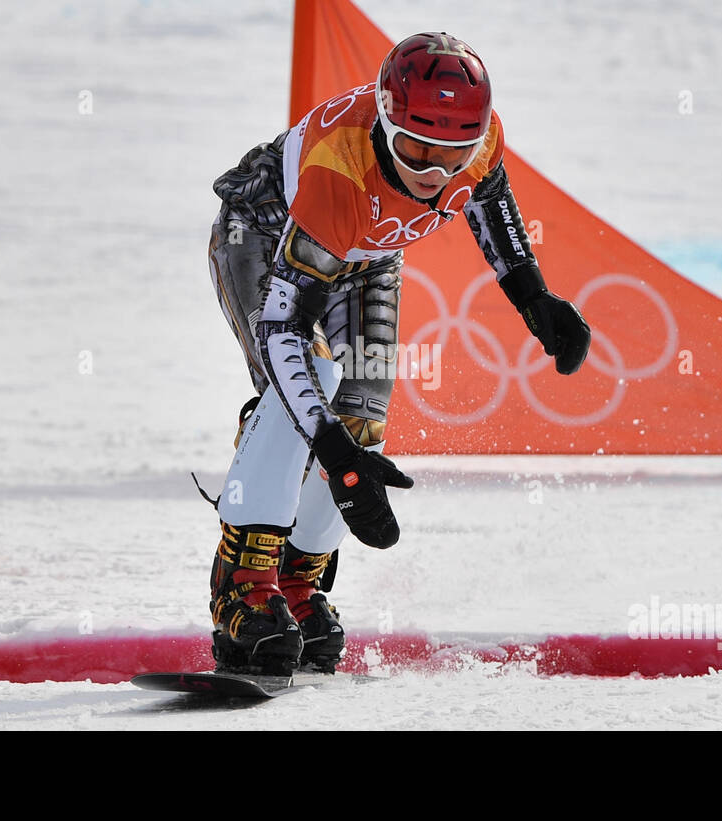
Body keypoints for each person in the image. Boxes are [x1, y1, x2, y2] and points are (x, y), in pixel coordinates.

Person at [204, 31, 591, 675]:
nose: (433, 173)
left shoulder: (477, 140)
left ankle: (299, 589)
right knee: (307, 388)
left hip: (366, 251)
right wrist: (329, 451)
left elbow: (488, 198)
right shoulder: (340, 170)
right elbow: (282, 329)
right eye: (415, 148)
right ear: (384, 120)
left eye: (453, 154)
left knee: (364, 417)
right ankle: (242, 590)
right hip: (271, 228)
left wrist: (533, 296)